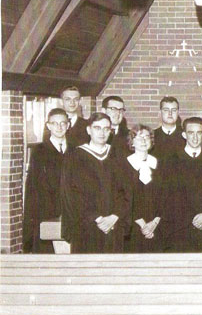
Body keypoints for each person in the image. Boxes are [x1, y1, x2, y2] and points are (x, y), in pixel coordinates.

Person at [60, 112, 128, 253]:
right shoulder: (75, 157)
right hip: (86, 227)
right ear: (88, 130)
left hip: (114, 226)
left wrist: (115, 216)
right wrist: (97, 218)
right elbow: (72, 194)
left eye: (106, 129)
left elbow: (127, 191)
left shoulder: (118, 156)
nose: (102, 133)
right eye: (97, 128)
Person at [162, 116, 202, 252]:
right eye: (191, 133)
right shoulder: (171, 161)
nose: (195, 137)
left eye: (199, 133)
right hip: (178, 230)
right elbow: (168, 196)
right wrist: (190, 220)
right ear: (184, 135)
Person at [23, 108, 70, 253]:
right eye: (54, 123)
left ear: (68, 125)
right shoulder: (39, 151)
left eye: (63, 123)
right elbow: (33, 187)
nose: (59, 127)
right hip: (46, 212)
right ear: (48, 126)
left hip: (71, 212)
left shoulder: (76, 150)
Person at [120, 125, 165, 252]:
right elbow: (122, 199)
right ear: (132, 142)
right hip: (133, 226)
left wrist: (154, 223)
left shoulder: (159, 164)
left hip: (157, 226)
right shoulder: (123, 166)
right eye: (139, 137)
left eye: (147, 137)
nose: (144, 140)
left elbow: (165, 196)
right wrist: (143, 225)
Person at [152, 96, 183, 160]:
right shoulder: (152, 136)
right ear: (160, 112)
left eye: (174, 110)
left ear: (178, 113)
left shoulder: (185, 136)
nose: (170, 113)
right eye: (166, 110)